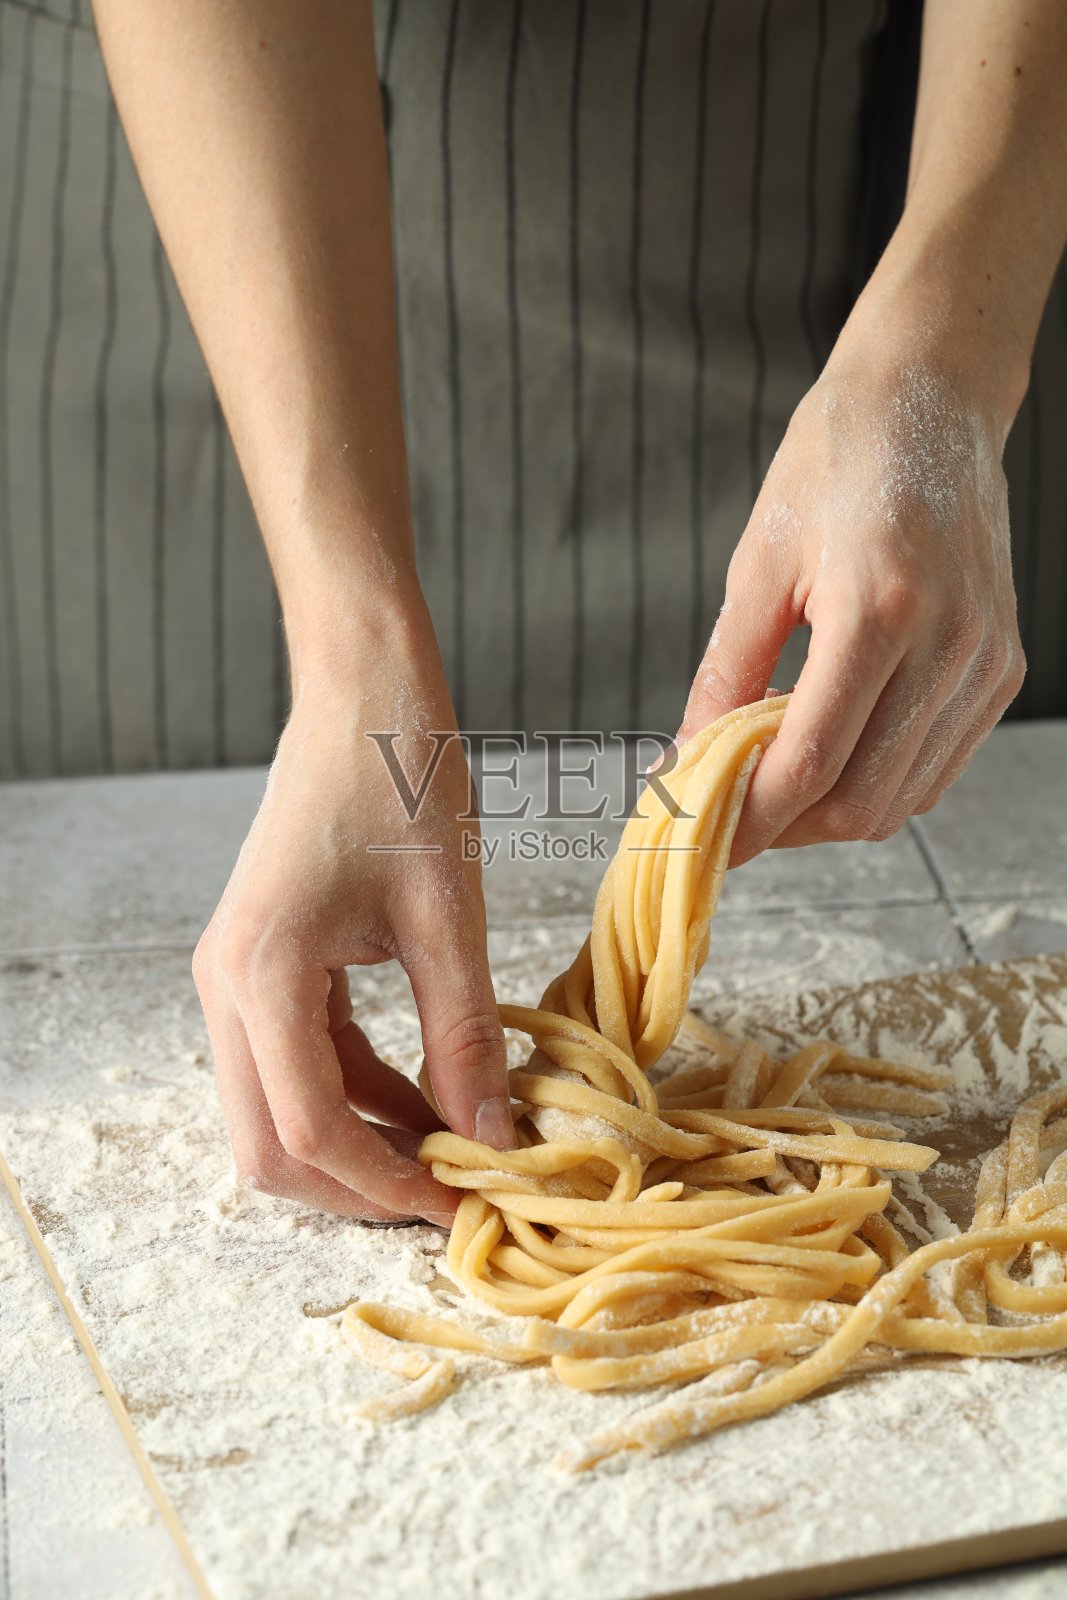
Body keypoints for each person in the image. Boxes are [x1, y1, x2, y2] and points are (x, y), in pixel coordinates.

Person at [19, 1, 1067, 1225]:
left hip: (868, 220)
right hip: (237, 244)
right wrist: (347, 638)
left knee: (881, 705)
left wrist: (942, 353)